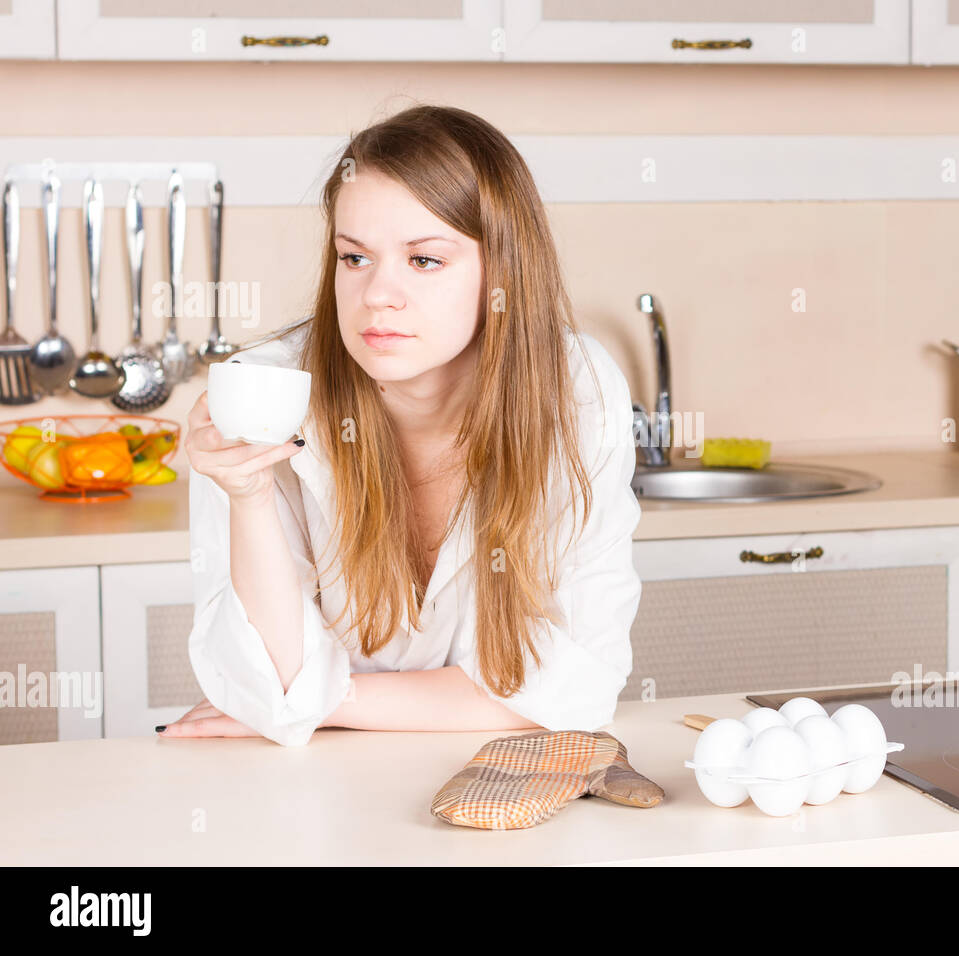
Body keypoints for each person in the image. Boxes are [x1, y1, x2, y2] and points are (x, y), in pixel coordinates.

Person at [161, 104, 642, 746]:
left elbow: (581, 683)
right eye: (354, 259)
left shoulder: (577, 390)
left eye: (423, 261)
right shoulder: (262, 398)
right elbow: (271, 684)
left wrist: (330, 700)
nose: (377, 294)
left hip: (490, 785)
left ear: (502, 271)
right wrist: (247, 496)